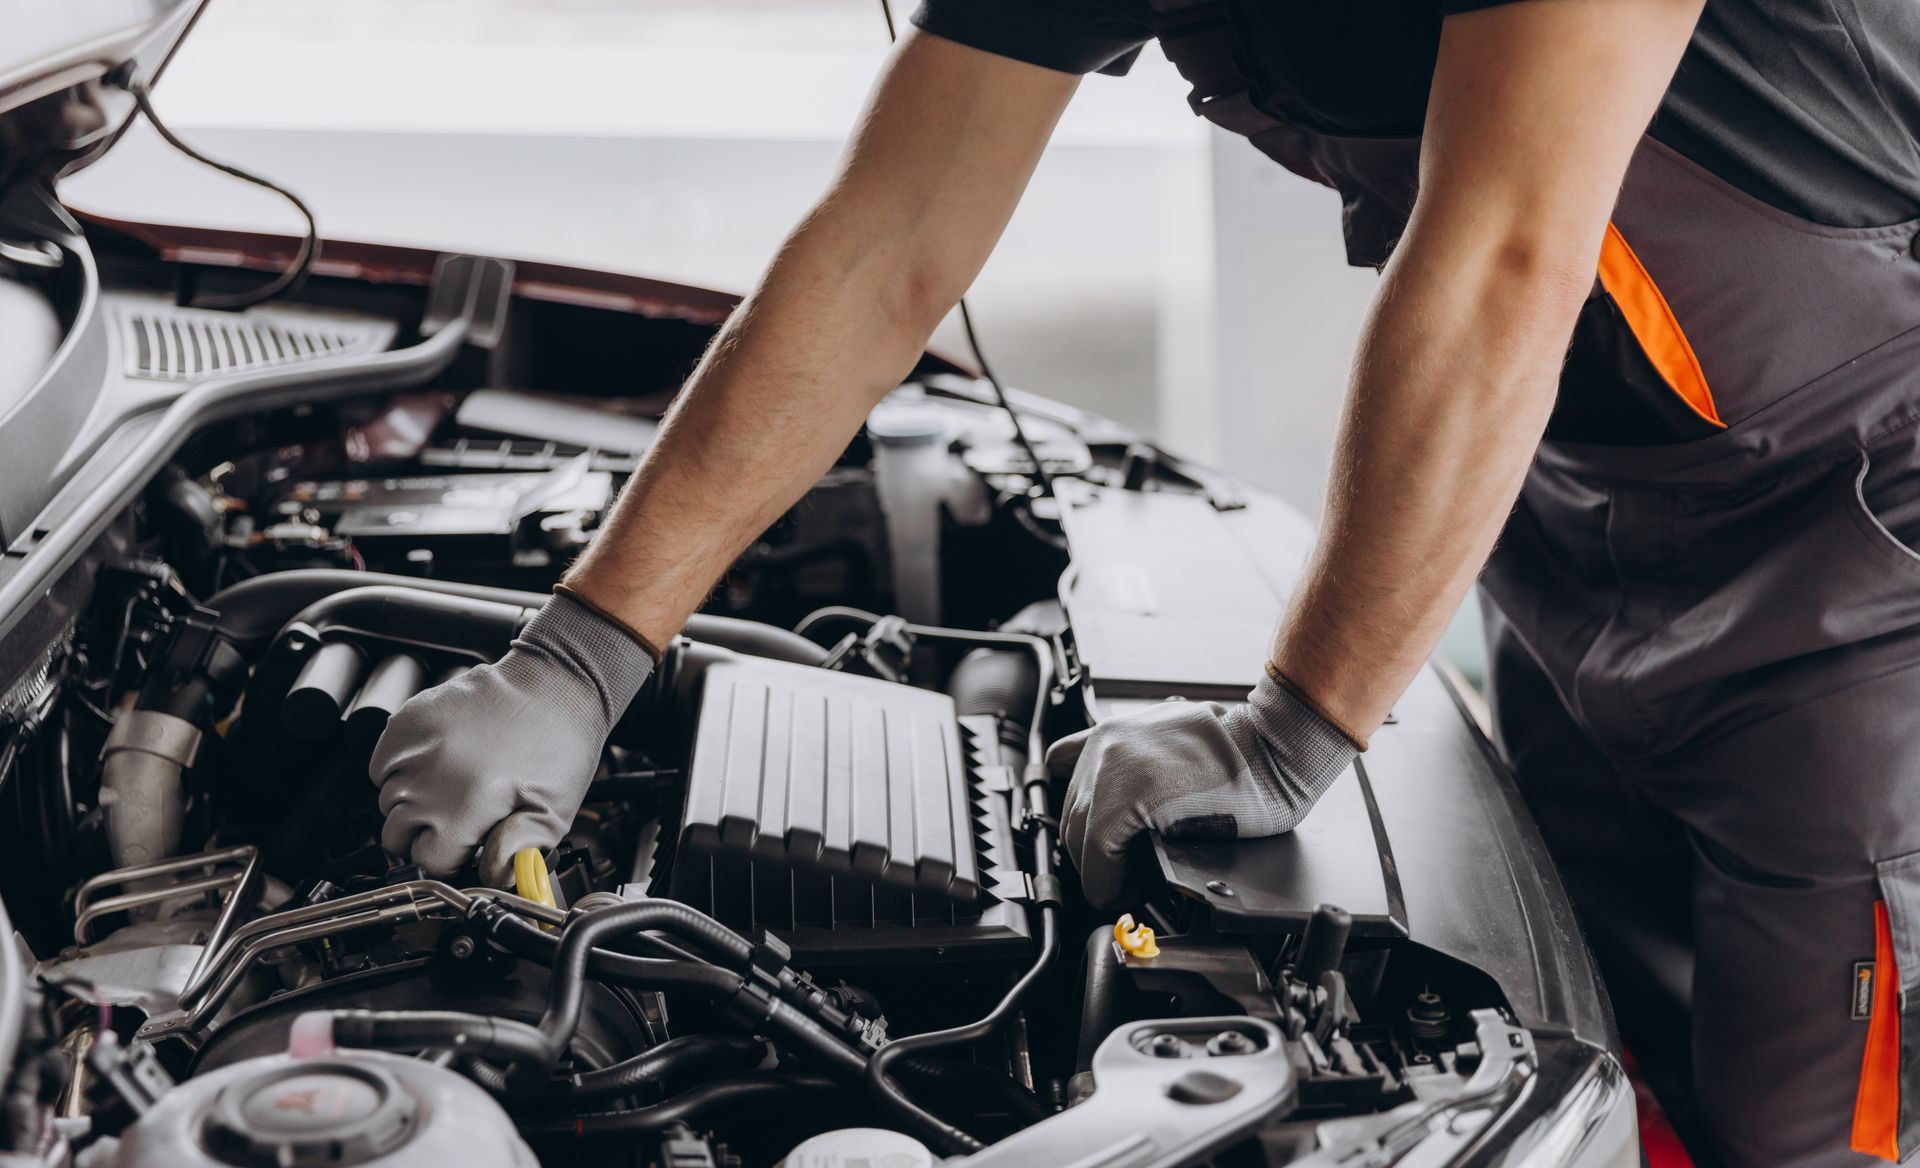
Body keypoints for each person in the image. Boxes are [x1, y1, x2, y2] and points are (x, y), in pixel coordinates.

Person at [369, 2, 1920, 1162]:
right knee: (1613, 1069)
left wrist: (1294, 729)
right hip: (1574, 514)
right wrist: (581, 652)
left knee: (1812, 1136)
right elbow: (889, 236)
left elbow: (1510, 248)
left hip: (1861, 561)